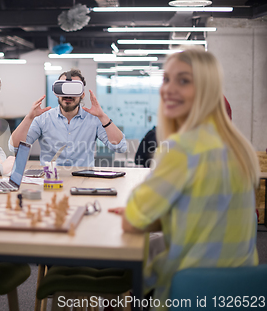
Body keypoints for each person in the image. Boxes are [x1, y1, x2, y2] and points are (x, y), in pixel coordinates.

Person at [109, 49, 259, 309]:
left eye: (184, 80)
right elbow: (207, 214)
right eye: (166, 79)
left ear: (207, 89)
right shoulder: (237, 147)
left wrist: (140, 212)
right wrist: (155, 214)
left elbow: (131, 222)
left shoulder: (182, 148)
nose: (169, 89)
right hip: (241, 292)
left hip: (192, 292)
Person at [9, 69, 127, 167]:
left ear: (82, 94)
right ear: (56, 92)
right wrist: (29, 118)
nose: (68, 95)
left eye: (74, 89)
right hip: (50, 178)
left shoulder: (94, 119)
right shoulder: (43, 119)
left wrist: (103, 116)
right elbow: (15, 147)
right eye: (63, 88)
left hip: (84, 178)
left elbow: (120, 147)